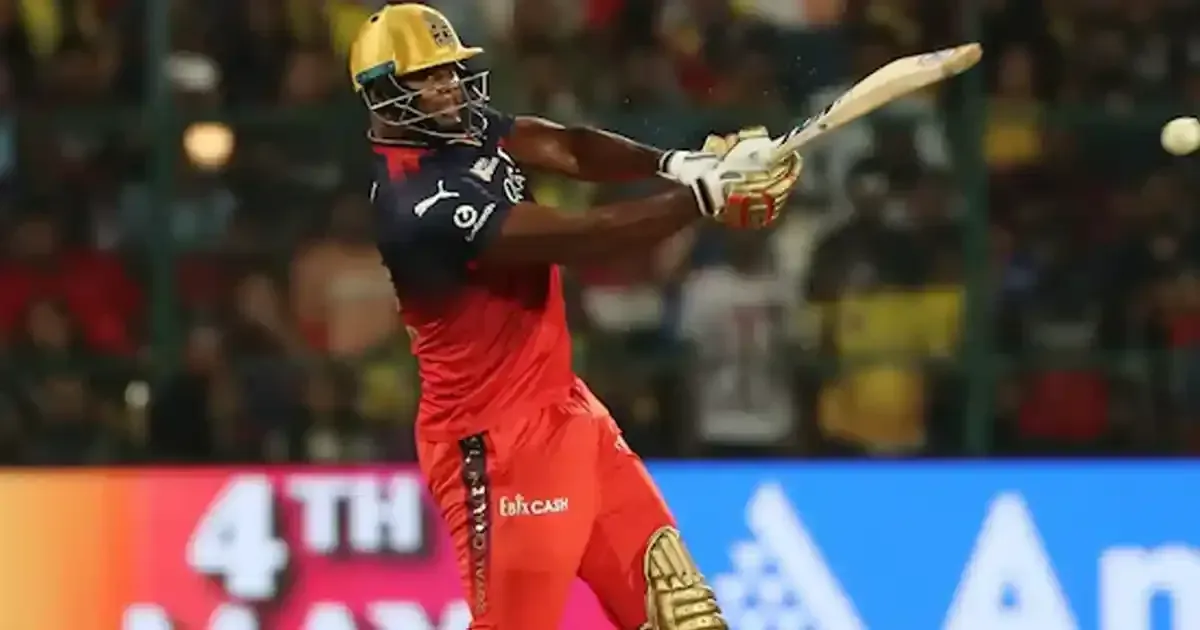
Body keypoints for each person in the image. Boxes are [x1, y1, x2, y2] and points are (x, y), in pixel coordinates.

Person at [348, 4, 803, 630]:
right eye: (426, 77)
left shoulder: (460, 128)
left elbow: (564, 145)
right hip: (495, 445)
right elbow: (582, 237)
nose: (448, 85)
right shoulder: (416, 204)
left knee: (682, 614)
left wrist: (675, 164)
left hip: (569, 410)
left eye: (450, 70)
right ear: (381, 94)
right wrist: (703, 197)